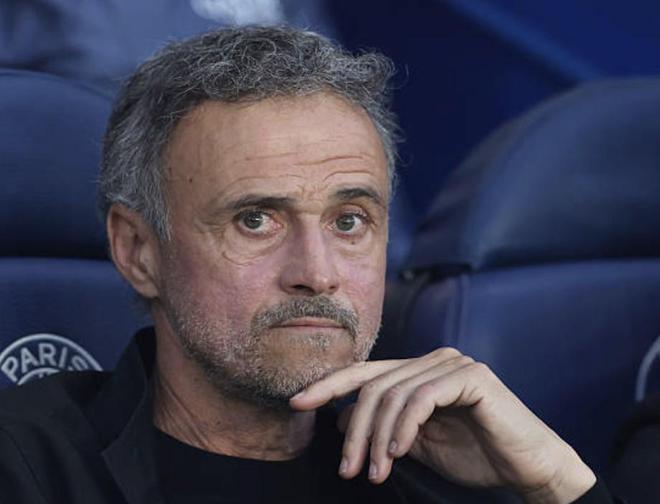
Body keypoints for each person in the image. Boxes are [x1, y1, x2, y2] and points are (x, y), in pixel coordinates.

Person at [0, 26, 617, 503]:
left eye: (349, 221)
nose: (318, 274)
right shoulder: (28, 469)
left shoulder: (448, 472)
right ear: (138, 250)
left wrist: (557, 484)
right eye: (256, 220)